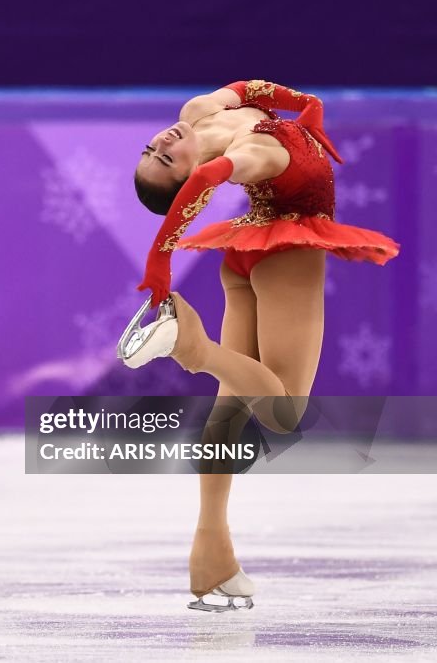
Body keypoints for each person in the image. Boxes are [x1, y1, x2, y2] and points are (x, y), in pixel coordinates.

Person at [130, 79, 399, 611]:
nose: (162, 142)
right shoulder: (248, 155)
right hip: (286, 253)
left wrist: (306, 106)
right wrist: (159, 259)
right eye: (166, 158)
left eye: (152, 148)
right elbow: (211, 174)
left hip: (248, 250)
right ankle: (195, 348)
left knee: (229, 410)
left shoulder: (198, 112)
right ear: (188, 183)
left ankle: (212, 555)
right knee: (282, 414)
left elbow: (243, 87)